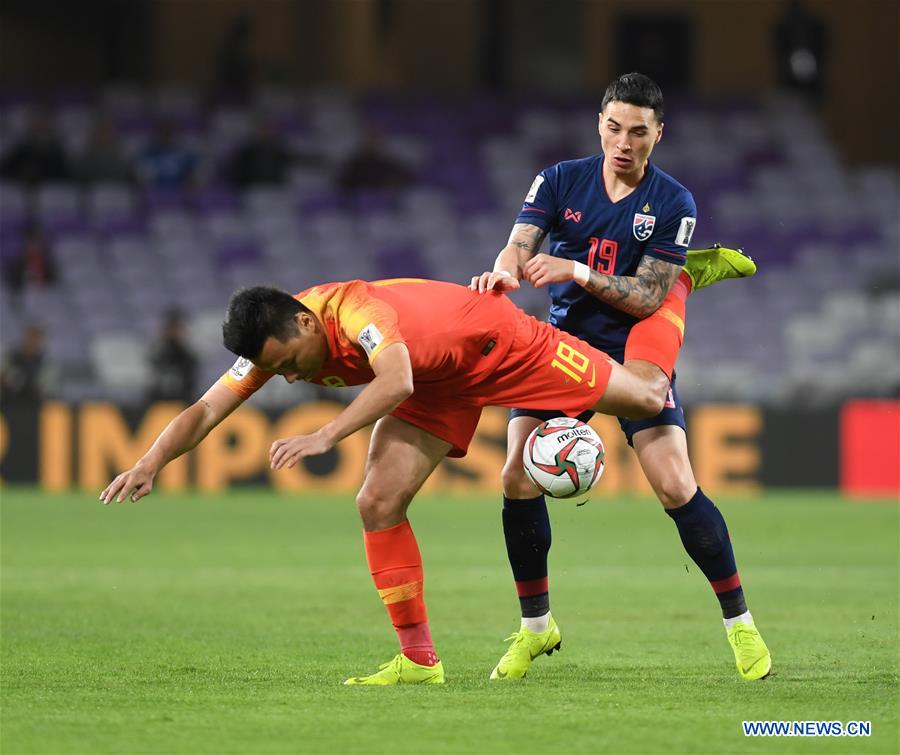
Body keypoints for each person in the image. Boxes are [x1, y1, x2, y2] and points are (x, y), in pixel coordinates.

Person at [99, 256, 743, 686]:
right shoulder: (274, 342)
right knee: (377, 501)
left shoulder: (357, 314)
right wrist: (150, 461)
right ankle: (418, 660)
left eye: (291, 361)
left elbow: (395, 377)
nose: (290, 376)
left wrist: (326, 433)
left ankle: (681, 281)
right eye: (280, 369)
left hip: (504, 346)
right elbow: (208, 407)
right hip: (438, 383)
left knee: (648, 397)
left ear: (304, 320)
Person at [470, 72, 771, 682]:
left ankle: (740, 626)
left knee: (674, 484)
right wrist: (503, 271)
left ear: (659, 134)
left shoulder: (674, 201)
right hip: (564, 351)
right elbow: (518, 245)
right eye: (614, 127)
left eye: (638, 131)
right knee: (514, 476)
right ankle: (536, 628)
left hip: (636, 344)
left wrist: (576, 271)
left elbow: (644, 297)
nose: (624, 142)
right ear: (599, 125)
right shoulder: (559, 180)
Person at [146, 310, 197, 403]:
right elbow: (152, 386)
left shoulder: (189, 359)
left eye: (177, 329)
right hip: (159, 407)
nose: (173, 334)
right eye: (171, 329)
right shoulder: (157, 357)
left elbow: (191, 388)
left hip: (182, 405)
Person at [0, 324, 54, 403]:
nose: (33, 341)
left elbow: (46, 387)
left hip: (34, 404)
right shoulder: (12, 356)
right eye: (31, 337)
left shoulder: (45, 362)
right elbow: (3, 376)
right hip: (9, 402)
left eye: (37, 338)